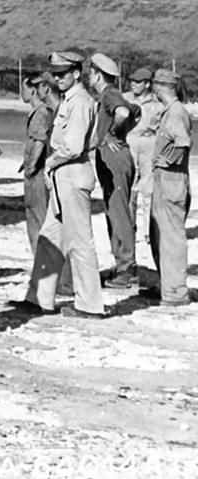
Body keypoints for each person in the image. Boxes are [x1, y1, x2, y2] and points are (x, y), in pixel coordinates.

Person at [22, 51, 107, 318]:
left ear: (76, 74)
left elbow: (73, 146)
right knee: (49, 237)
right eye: (55, 74)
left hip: (71, 171)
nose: (57, 79)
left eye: (62, 74)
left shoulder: (80, 101)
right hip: (63, 175)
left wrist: (49, 163)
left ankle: (90, 305)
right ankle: (39, 298)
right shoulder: (71, 100)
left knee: (80, 242)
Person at [86, 53, 138, 288]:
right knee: (113, 211)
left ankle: (127, 268)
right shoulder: (109, 96)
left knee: (118, 213)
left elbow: (125, 113)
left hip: (115, 159)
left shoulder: (110, 95)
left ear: (97, 75)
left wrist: (112, 134)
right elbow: (136, 111)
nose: (89, 77)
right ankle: (121, 265)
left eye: (90, 73)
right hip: (113, 159)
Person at [147, 68, 191, 308]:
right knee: (160, 235)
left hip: (171, 180)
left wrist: (167, 159)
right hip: (165, 180)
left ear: (160, 86)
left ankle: (175, 292)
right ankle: (168, 285)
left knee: (171, 237)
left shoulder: (176, 112)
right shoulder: (171, 112)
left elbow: (183, 143)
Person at [125, 66, 165, 260]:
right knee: (129, 188)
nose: (133, 84)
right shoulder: (126, 99)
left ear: (147, 84)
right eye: (132, 80)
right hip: (130, 142)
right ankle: (129, 228)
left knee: (149, 190)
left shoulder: (158, 104)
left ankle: (149, 232)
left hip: (149, 144)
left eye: (138, 81)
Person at [20, 70, 57, 255]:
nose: (21, 92)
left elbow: (40, 141)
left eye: (23, 88)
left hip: (37, 174)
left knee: (37, 217)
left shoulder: (40, 113)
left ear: (33, 91)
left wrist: (31, 166)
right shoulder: (40, 112)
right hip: (37, 171)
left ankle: (42, 261)